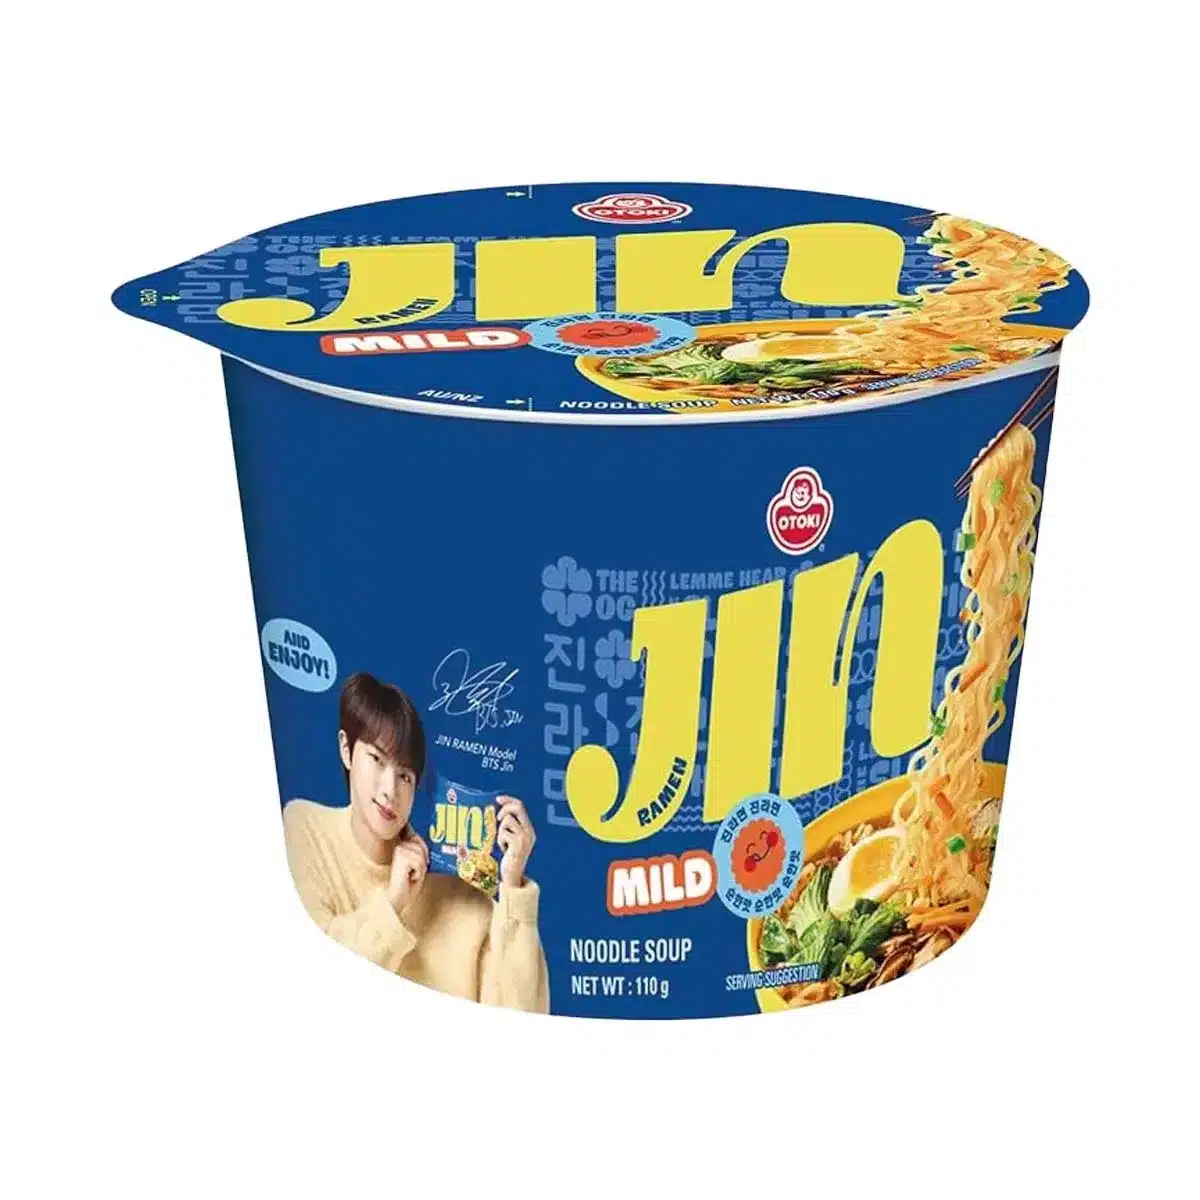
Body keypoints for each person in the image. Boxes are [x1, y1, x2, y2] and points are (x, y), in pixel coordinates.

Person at [282, 672, 549, 1013]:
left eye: (405, 776)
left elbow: (524, 1018)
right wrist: (393, 901)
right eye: (377, 759)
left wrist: (512, 886)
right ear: (346, 749)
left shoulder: (466, 898)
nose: (389, 790)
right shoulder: (305, 828)